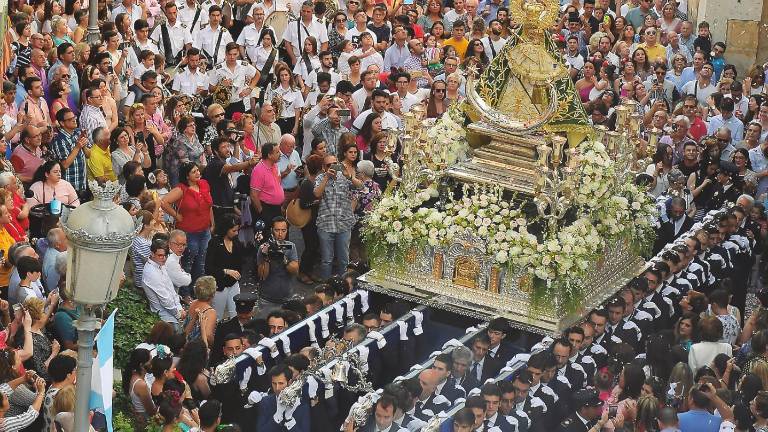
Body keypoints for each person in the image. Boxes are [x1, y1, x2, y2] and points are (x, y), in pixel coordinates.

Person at [161, 161, 213, 298]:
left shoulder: (204, 184)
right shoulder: (181, 189)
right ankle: (185, 294)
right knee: (187, 263)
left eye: (197, 170)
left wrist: (212, 223)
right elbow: (164, 202)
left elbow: (209, 206)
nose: (197, 173)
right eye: (193, 172)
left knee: (201, 264)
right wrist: (177, 216)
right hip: (189, 232)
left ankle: (198, 292)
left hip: (205, 230)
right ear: (187, 176)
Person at [205, 214, 245, 321]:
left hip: (233, 284)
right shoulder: (214, 243)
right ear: (225, 229)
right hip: (219, 287)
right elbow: (208, 267)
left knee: (236, 315)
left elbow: (242, 260)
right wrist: (225, 271)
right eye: (233, 230)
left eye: (237, 230)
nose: (236, 233)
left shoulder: (237, 243)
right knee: (216, 317)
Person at [142, 239, 186, 330]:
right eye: (160, 255)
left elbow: (170, 289)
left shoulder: (160, 264)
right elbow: (165, 300)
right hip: (164, 317)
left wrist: (179, 308)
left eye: (166, 255)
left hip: (172, 311)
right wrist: (178, 314)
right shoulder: (151, 273)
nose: (164, 258)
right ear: (152, 254)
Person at [257, 216, 299, 311]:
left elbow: (295, 271)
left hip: (287, 298)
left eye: (283, 230)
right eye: (277, 230)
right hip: (267, 299)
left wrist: (283, 258)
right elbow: (262, 276)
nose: (280, 234)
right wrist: (266, 257)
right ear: (272, 230)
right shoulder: (263, 247)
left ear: (287, 230)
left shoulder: (290, 246)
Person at [250, 143, 285, 239]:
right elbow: (253, 195)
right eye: (277, 152)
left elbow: (277, 185)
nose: (280, 154)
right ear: (269, 155)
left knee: (280, 239)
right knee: (266, 239)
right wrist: (262, 211)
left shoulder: (275, 166)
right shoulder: (259, 170)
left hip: (277, 208)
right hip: (266, 209)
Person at [184, 275, 217, 347]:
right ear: (213, 293)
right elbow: (208, 336)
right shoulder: (210, 312)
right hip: (199, 349)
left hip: (186, 345)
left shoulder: (193, 303)